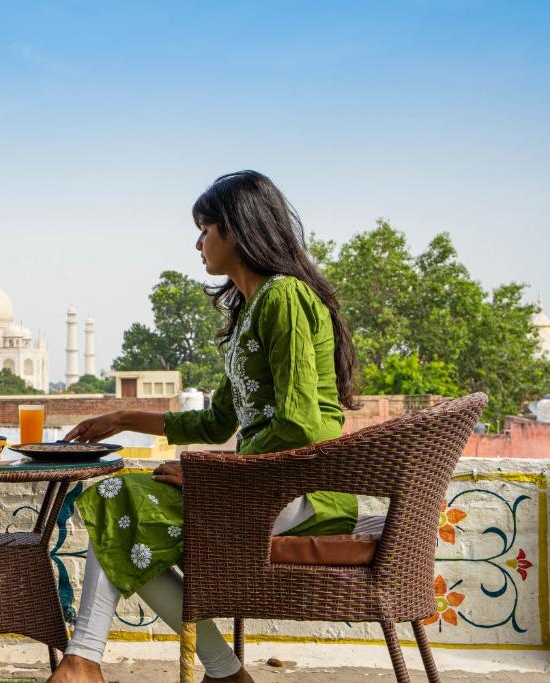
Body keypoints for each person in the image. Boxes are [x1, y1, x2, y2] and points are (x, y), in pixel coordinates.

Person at [48, 171, 359, 683]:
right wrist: (122, 418)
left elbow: (300, 422)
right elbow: (217, 423)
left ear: (235, 231)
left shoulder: (284, 297)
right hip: (263, 483)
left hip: (305, 490)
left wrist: (217, 474)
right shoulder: (250, 310)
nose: (198, 243)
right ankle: (108, 664)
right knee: (116, 508)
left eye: (205, 229)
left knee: (114, 503)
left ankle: (92, 663)